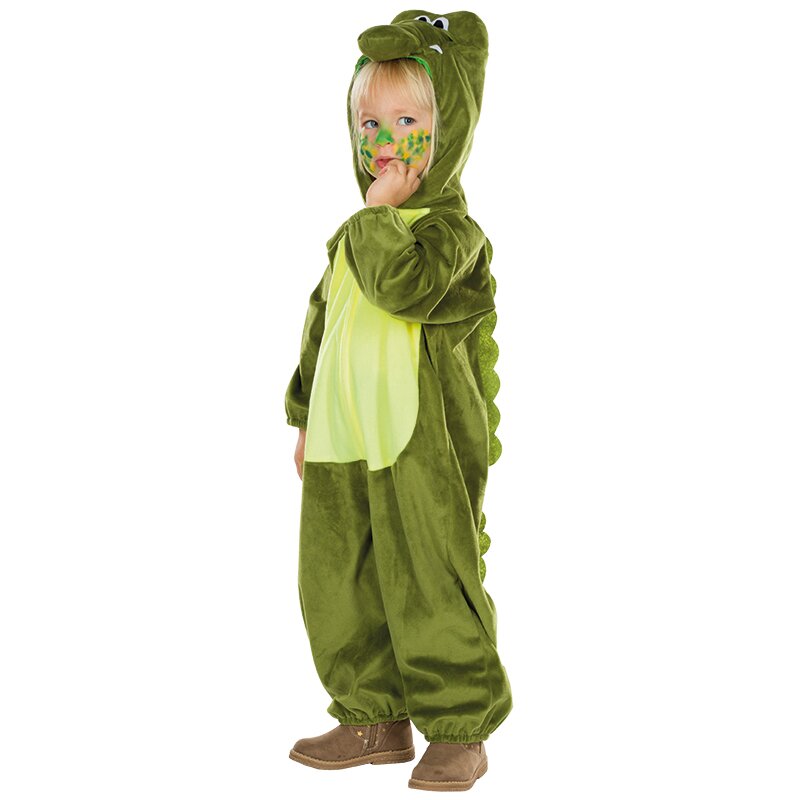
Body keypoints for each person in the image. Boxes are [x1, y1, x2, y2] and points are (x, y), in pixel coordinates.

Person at [284, 10, 513, 792]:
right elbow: (323, 328)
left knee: (430, 573)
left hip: (420, 440)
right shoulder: (356, 232)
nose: (385, 139)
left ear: (447, 131)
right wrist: (305, 419)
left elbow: (405, 288)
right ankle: (371, 716)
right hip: (343, 434)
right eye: (370, 123)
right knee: (338, 580)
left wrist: (381, 213)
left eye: (409, 121)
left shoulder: (452, 234)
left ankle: (459, 727)